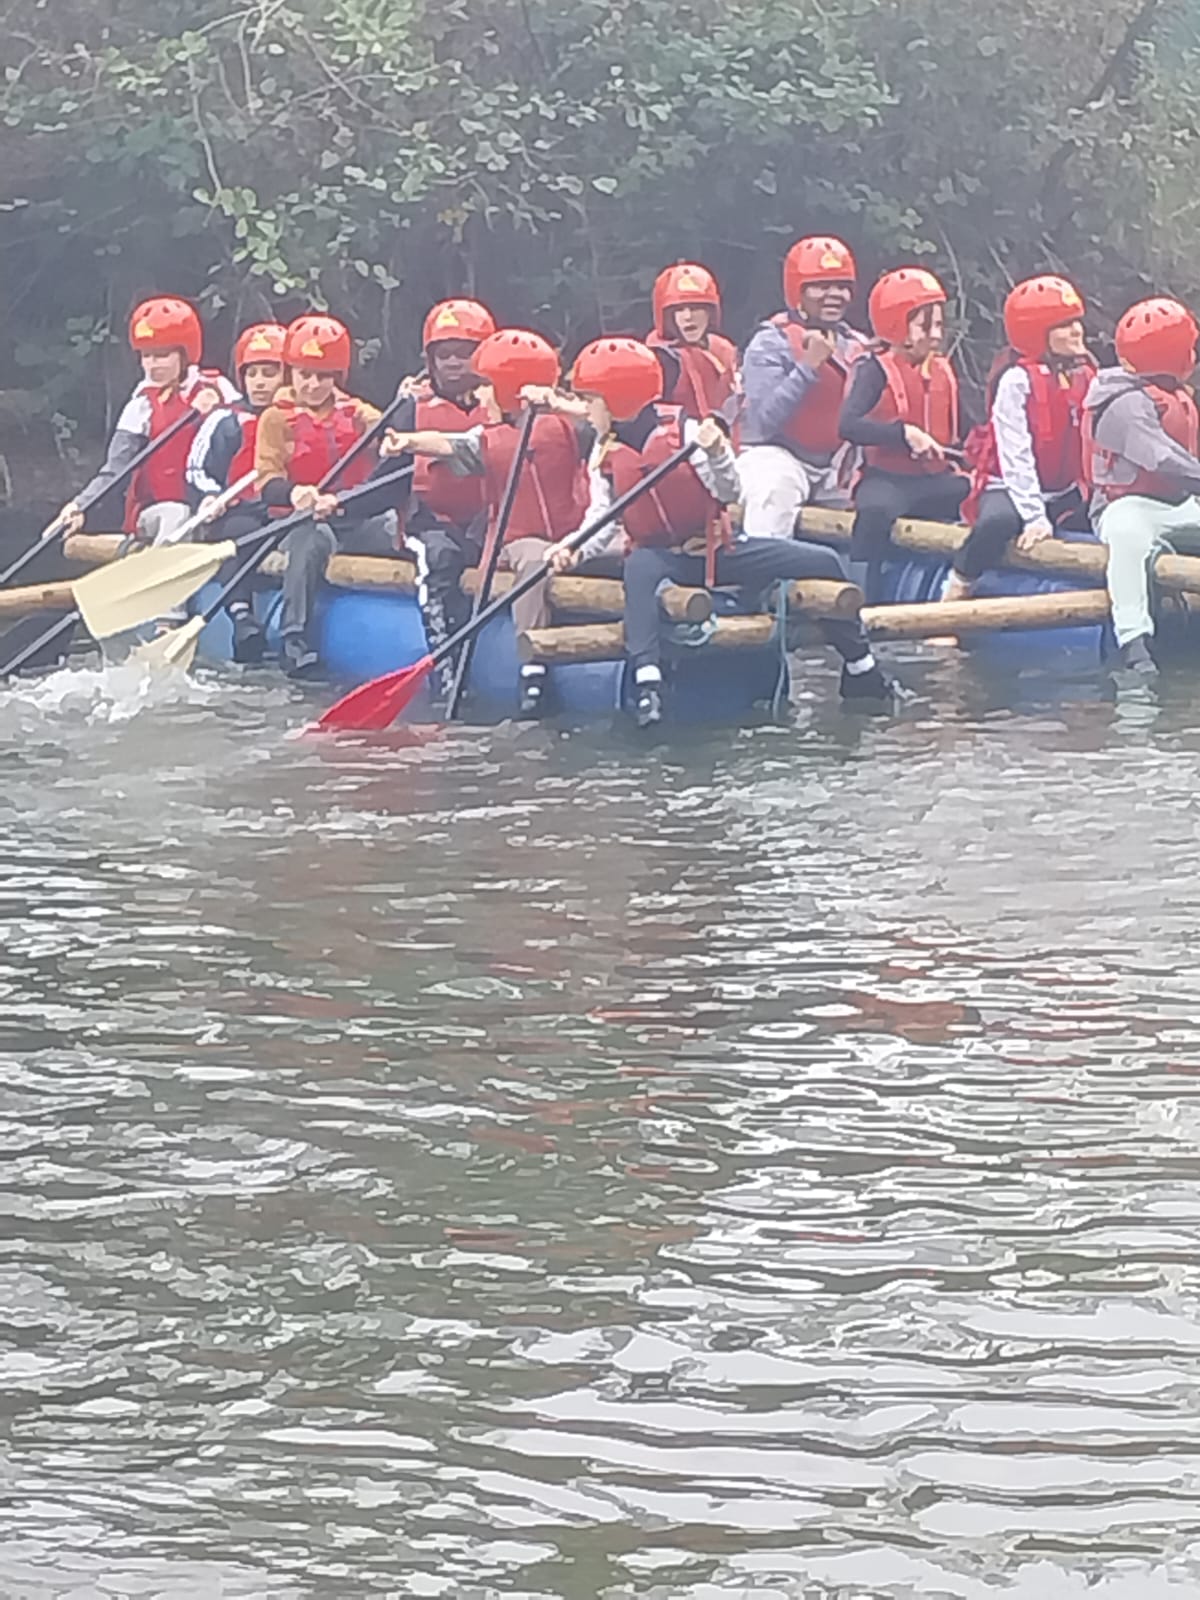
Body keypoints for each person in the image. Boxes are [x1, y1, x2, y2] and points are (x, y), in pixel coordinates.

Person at [549, 337, 894, 727]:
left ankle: (861, 666)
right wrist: (572, 549)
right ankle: (648, 680)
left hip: (718, 550)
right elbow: (602, 516)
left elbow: (730, 492)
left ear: (619, 399)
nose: (587, 411)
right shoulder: (604, 453)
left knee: (824, 560)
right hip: (664, 557)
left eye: (592, 400)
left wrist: (716, 454)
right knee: (639, 568)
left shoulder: (687, 432)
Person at [380, 328, 587, 716]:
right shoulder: (490, 435)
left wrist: (559, 402)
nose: (477, 396)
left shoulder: (568, 426)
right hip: (521, 543)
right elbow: (450, 443)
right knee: (535, 557)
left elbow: (613, 421)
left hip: (579, 537)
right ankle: (533, 669)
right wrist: (407, 442)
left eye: (486, 386)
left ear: (510, 389)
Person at [255, 313, 395, 678]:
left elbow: (391, 436)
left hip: (353, 518)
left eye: (323, 376)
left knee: (397, 525)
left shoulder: (358, 412)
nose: (313, 385)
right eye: (305, 375)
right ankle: (294, 638)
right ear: (292, 373)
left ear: (337, 377)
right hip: (301, 520)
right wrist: (297, 492)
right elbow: (267, 482)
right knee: (312, 539)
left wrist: (402, 419)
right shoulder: (275, 418)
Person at [944, 275, 1094, 600]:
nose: (1076, 331)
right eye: (1064, 325)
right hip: (1010, 487)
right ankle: (957, 587)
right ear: (1037, 333)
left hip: (1064, 491)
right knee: (996, 524)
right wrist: (1034, 517)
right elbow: (1017, 456)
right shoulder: (1015, 381)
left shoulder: (1085, 374)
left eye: (1076, 322)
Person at [57, 297, 238, 545]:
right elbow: (115, 469)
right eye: (147, 356)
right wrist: (80, 505)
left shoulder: (220, 389)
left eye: (162, 356)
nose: (152, 366)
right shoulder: (140, 405)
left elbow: (253, 434)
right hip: (156, 514)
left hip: (213, 504)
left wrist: (220, 408)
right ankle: (163, 572)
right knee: (177, 513)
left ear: (185, 355)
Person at [1082, 295, 1200, 675]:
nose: (1194, 355)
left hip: (1177, 503)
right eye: (1189, 347)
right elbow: (1161, 458)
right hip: (1125, 506)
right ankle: (1133, 640)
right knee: (1128, 537)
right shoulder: (1122, 403)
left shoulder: (1175, 394)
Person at [840, 267, 967, 598]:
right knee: (874, 513)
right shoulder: (874, 369)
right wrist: (903, 434)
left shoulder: (942, 370)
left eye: (939, 325)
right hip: (888, 479)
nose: (936, 335)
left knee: (975, 495)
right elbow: (848, 425)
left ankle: (964, 583)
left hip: (937, 480)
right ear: (898, 325)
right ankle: (858, 599)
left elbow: (964, 431)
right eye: (926, 325)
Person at [739, 235, 868, 539]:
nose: (833, 294)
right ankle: (761, 581)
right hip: (776, 455)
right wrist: (808, 367)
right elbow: (763, 423)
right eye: (820, 286)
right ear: (798, 291)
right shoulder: (770, 341)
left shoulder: (859, 346)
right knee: (774, 491)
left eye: (841, 286)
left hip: (838, 466)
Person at [394, 298, 496, 653]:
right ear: (431, 361)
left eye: (463, 353)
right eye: (444, 354)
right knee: (441, 558)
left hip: (487, 522)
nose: (453, 362)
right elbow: (388, 477)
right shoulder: (410, 407)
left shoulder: (501, 405)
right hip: (430, 523)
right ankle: (442, 654)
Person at [186, 321, 288, 661]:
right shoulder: (225, 420)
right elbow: (196, 470)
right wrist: (211, 496)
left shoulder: (299, 417)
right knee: (238, 534)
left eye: (269, 373)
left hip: (284, 510)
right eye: (252, 373)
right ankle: (242, 616)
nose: (259, 382)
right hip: (238, 510)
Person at [645, 263, 739, 420]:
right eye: (679, 310)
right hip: (680, 440)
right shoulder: (659, 360)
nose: (688, 316)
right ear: (667, 317)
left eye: (695, 308)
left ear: (710, 313)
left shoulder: (724, 349)